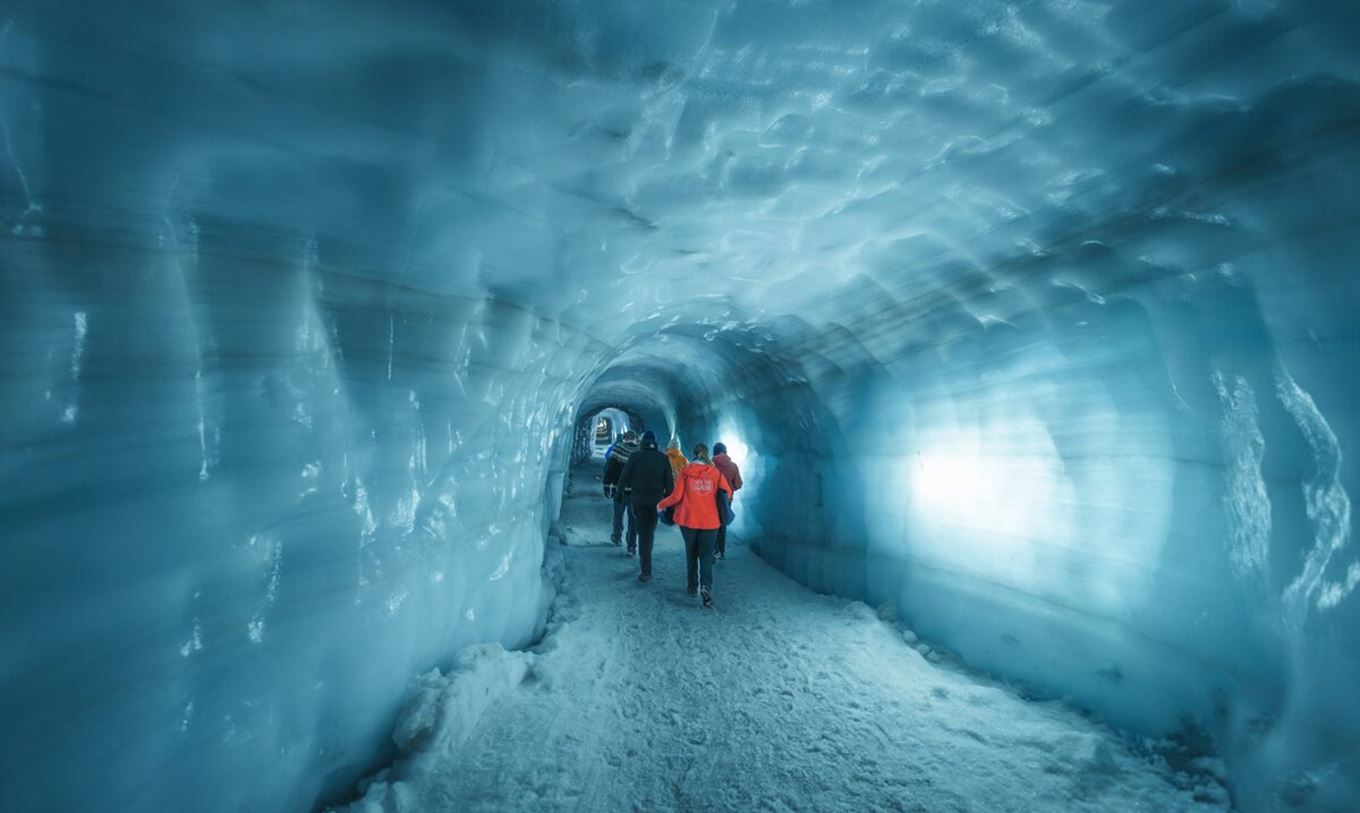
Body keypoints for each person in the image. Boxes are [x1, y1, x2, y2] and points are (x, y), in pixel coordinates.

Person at [657, 443, 732, 608]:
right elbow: (728, 493)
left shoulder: (686, 472)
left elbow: (676, 497)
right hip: (710, 522)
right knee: (706, 555)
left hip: (689, 521)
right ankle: (706, 588)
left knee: (691, 553)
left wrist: (661, 504)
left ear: (694, 454)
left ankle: (692, 587)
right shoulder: (716, 473)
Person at [616, 430, 673, 583]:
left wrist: (619, 492)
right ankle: (646, 565)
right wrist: (669, 503)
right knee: (649, 532)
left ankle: (645, 569)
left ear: (642, 442)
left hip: (638, 500)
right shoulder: (663, 458)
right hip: (656, 501)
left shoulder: (635, 456)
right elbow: (669, 483)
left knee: (642, 532)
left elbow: (625, 475)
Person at [602, 430, 639, 551]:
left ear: (624, 438)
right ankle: (631, 545)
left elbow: (610, 468)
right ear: (635, 438)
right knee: (633, 519)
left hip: (619, 490)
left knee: (618, 514)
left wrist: (606, 485)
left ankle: (617, 536)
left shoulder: (618, 449)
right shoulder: (640, 451)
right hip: (635, 492)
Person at [710, 442, 743, 560]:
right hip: (726, 499)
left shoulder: (710, 465)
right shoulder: (733, 466)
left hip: (711, 499)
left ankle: (713, 549)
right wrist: (730, 488)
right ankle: (722, 552)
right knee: (722, 525)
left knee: (712, 524)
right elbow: (738, 484)